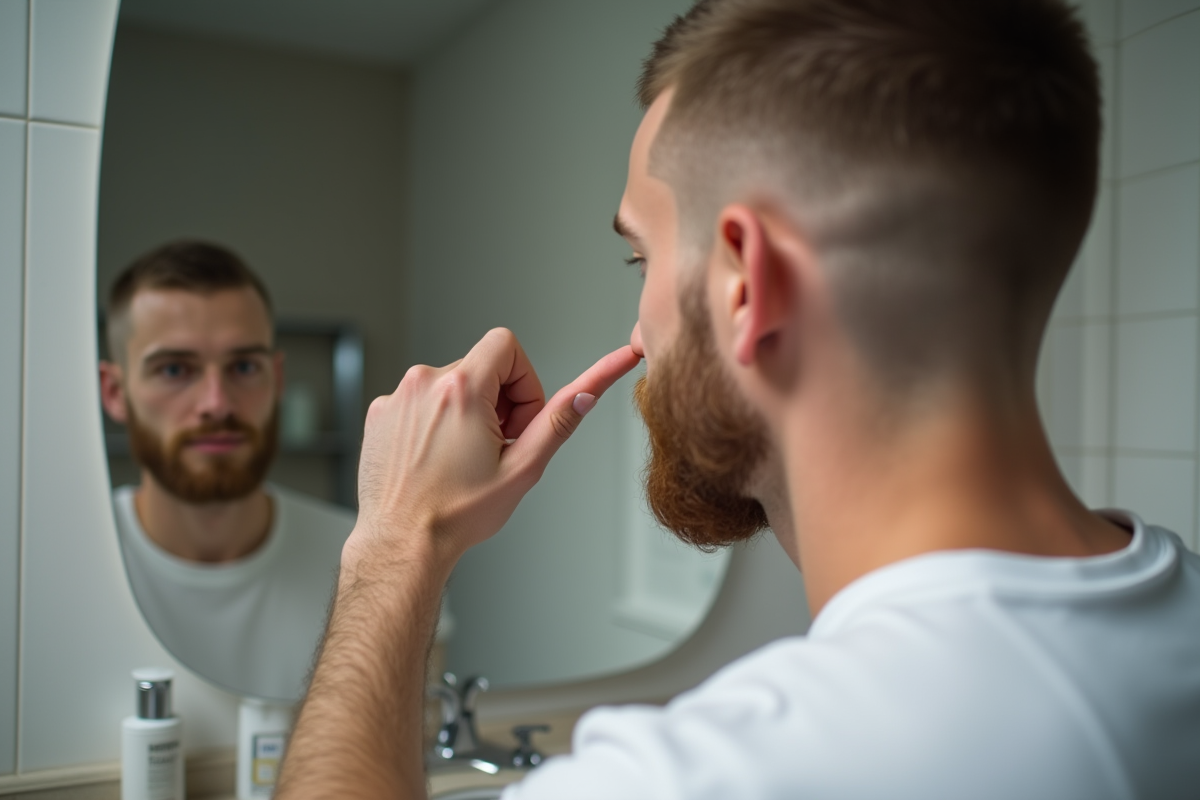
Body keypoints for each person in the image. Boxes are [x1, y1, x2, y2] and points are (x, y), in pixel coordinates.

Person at [277, 0, 1200, 797]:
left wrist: (395, 545)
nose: (639, 332)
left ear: (745, 284)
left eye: (642, 258)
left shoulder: (730, 775)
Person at [99, 240, 356, 700]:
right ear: (115, 392)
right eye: (175, 369)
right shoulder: (51, 571)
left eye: (242, 366)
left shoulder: (364, 560)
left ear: (276, 380)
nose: (217, 404)